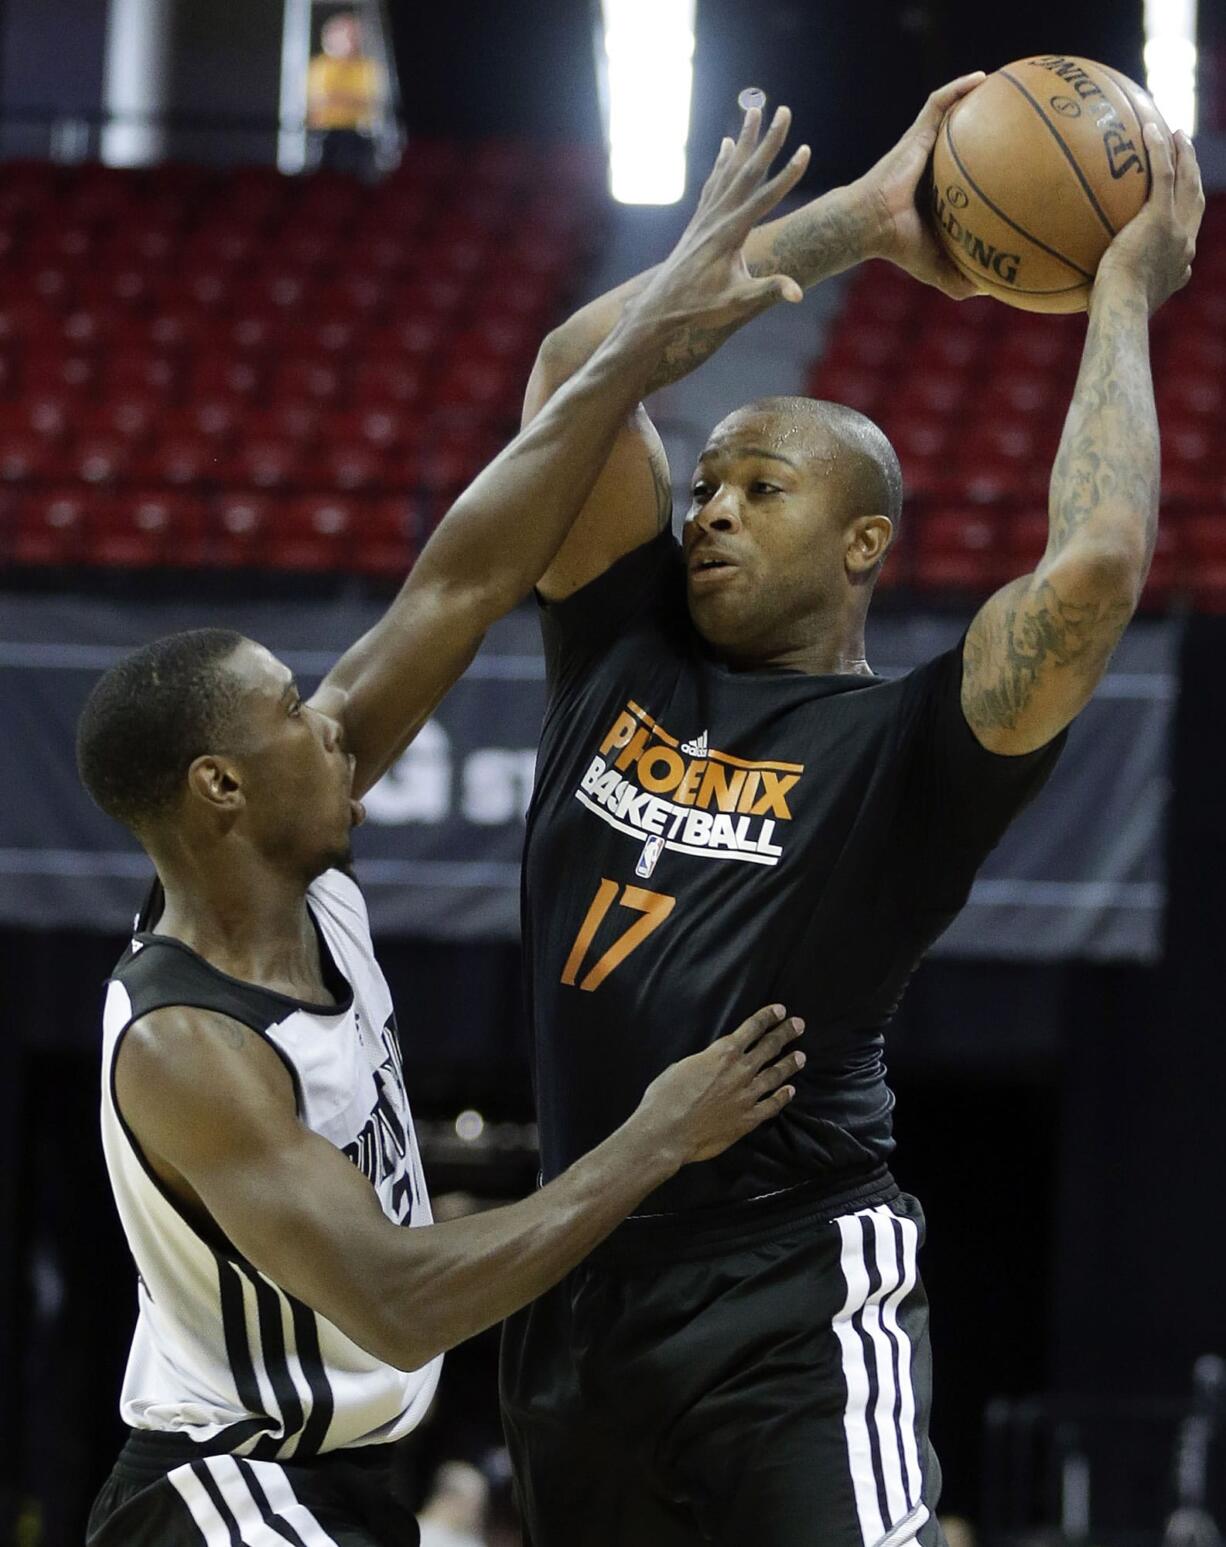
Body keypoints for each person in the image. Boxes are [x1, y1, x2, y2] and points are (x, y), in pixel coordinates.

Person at [78, 124, 814, 1547]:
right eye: (291, 714)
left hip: (347, 1483)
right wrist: (653, 1139)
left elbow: (464, 577)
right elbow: (400, 1293)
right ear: (218, 785)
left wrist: (645, 335)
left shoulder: (303, 859)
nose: (331, 721)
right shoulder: (188, 1045)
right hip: (221, 1485)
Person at [499, 87, 1204, 1546]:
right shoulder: (617, 649)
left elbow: (1089, 574)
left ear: (864, 541)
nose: (709, 509)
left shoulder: (905, 748)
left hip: (789, 1290)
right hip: (570, 1275)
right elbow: (580, 365)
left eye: (760, 486)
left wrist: (1120, 294)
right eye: (702, 484)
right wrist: (871, 225)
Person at [307, 10, 381, 176]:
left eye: (356, 35)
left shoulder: (367, 67)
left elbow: (372, 99)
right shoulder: (320, 67)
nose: (353, 40)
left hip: (360, 135)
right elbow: (320, 100)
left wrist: (344, 98)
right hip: (327, 136)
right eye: (348, 35)